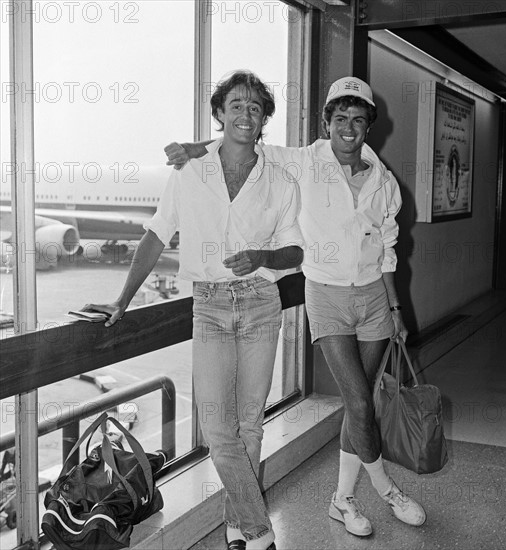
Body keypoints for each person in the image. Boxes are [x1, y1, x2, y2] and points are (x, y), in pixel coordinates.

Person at [165, 76, 426, 538]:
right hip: (325, 294)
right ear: (326, 123)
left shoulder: (384, 181)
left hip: (373, 298)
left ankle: (342, 500)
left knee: (356, 405)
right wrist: (194, 146)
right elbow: (243, 140)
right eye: (339, 118)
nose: (348, 127)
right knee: (361, 404)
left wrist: (396, 307)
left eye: (358, 119)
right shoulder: (304, 161)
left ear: (370, 127)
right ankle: (386, 489)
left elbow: (387, 246)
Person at [83, 70, 305, 550]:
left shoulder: (282, 179)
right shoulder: (189, 172)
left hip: (261, 304)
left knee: (249, 423)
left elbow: (296, 254)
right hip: (208, 306)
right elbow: (156, 234)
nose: (245, 114)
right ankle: (261, 529)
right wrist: (123, 299)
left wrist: (263, 258)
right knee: (218, 425)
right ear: (219, 113)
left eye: (255, 107)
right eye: (236, 105)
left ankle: (236, 525)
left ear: (264, 117)